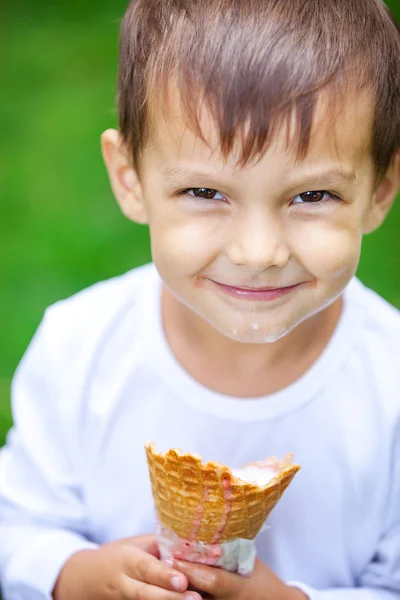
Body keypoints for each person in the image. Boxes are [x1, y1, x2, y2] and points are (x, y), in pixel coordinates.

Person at [1, 0, 399, 599]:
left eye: (313, 194)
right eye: (205, 191)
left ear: (381, 190)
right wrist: (74, 576)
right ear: (130, 177)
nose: (258, 251)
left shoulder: (389, 383)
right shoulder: (78, 347)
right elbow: (18, 526)